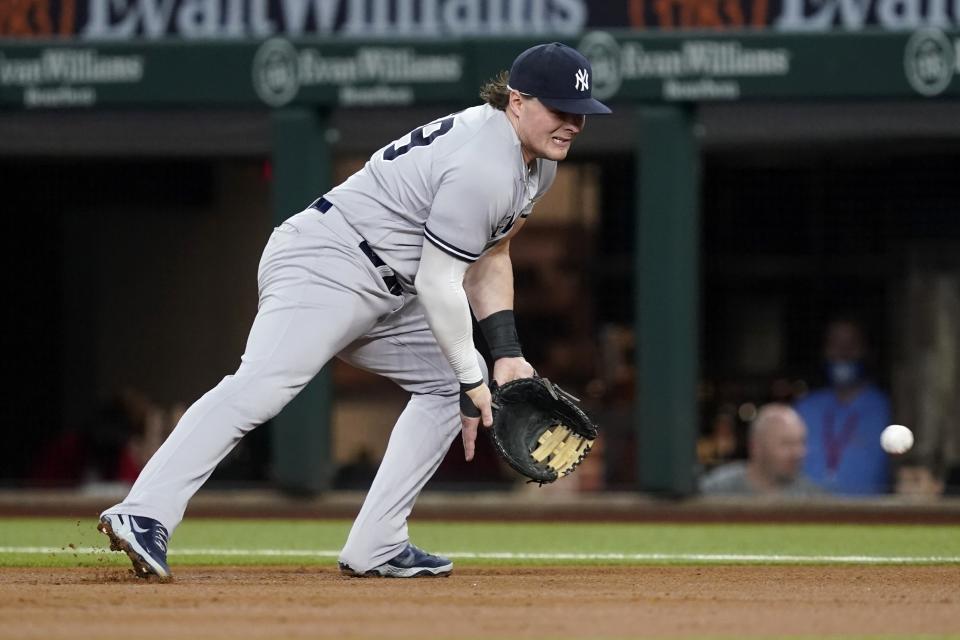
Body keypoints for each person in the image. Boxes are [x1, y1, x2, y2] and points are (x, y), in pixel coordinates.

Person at [96, 42, 611, 579]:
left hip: (390, 286)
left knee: (449, 385)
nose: (572, 123)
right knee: (266, 384)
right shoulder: (483, 162)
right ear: (517, 101)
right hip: (328, 260)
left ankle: (379, 542)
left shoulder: (535, 164)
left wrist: (506, 355)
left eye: (580, 112)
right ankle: (142, 511)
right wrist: (469, 374)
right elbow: (439, 283)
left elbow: (492, 256)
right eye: (558, 109)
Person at [794, 316, 891, 494]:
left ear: (866, 350)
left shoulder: (886, 409)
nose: (843, 352)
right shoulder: (805, 408)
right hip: (806, 514)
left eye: (851, 344)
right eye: (835, 344)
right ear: (824, 350)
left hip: (870, 516)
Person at [699, 403, 822, 496]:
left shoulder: (811, 498)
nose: (798, 452)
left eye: (801, 443)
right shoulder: (717, 489)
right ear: (756, 447)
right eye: (787, 444)